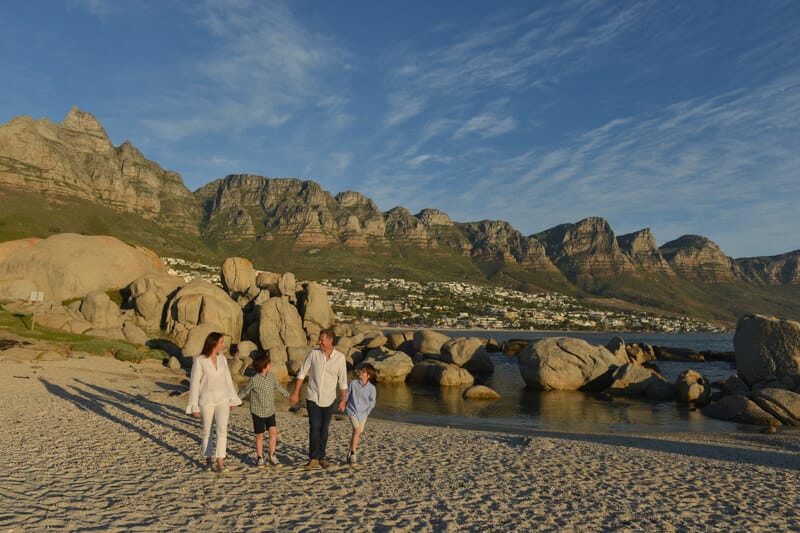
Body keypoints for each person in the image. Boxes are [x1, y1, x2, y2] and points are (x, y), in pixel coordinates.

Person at [289, 327, 348, 469]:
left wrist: (343, 399)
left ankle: (322, 457)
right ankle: (313, 458)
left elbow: (343, 381)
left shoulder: (340, 358)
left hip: (329, 398)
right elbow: (302, 373)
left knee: (324, 428)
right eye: (319, 340)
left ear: (330, 340)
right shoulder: (313, 354)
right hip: (313, 396)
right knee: (314, 426)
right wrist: (295, 393)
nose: (319, 342)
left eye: (322, 340)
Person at [185, 332, 242, 474]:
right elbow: (194, 384)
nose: (223, 345)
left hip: (223, 400)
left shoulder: (222, 359)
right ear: (213, 343)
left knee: (222, 431)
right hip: (206, 401)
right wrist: (194, 405)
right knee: (207, 432)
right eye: (221, 342)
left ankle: (220, 462)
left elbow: (228, 380)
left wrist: (233, 398)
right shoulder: (200, 360)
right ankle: (208, 461)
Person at [238, 353, 289, 467]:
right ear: (264, 367)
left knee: (273, 432)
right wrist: (235, 401)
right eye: (269, 364)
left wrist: (289, 396)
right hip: (257, 412)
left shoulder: (271, 376)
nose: (270, 366)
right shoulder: (254, 380)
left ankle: (272, 456)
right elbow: (245, 391)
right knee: (259, 436)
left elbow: (279, 387)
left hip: (270, 411)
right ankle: (260, 458)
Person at [345, 363, 377, 465]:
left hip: (363, 414)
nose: (360, 372)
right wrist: (343, 403)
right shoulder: (353, 383)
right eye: (361, 370)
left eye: (363, 372)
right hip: (352, 411)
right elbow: (347, 396)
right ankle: (353, 453)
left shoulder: (372, 388)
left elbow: (372, 402)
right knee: (357, 430)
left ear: (368, 376)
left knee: (357, 433)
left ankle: (350, 452)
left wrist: (367, 412)